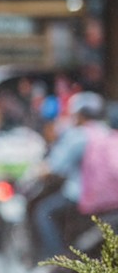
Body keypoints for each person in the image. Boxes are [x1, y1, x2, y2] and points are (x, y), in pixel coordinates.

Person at [32, 91, 107, 260]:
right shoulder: (108, 132)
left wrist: (38, 172)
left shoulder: (78, 136)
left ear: (79, 115)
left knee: (43, 212)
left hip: (82, 195)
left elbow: (55, 166)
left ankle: (59, 260)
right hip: (110, 197)